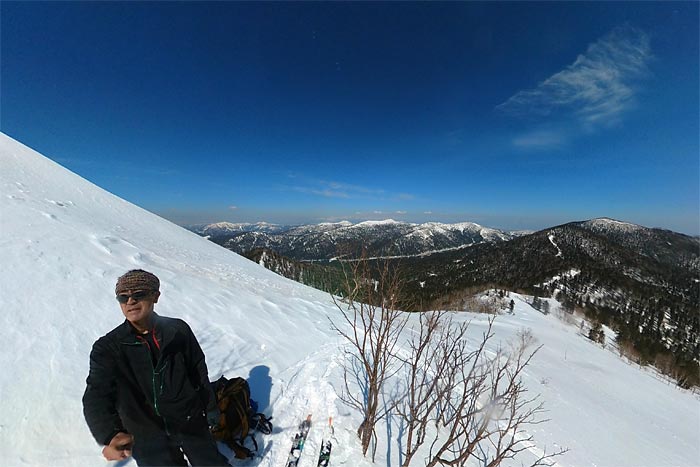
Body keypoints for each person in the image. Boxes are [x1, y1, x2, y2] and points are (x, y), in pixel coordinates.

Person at [82, 269, 228, 466]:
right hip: (146, 434)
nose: (130, 301)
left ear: (155, 296)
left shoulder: (178, 330)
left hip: (189, 420)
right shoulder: (108, 348)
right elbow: (96, 394)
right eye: (123, 297)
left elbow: (197, 371)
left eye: (139, 294)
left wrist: (210, 407)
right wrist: (110, 433)